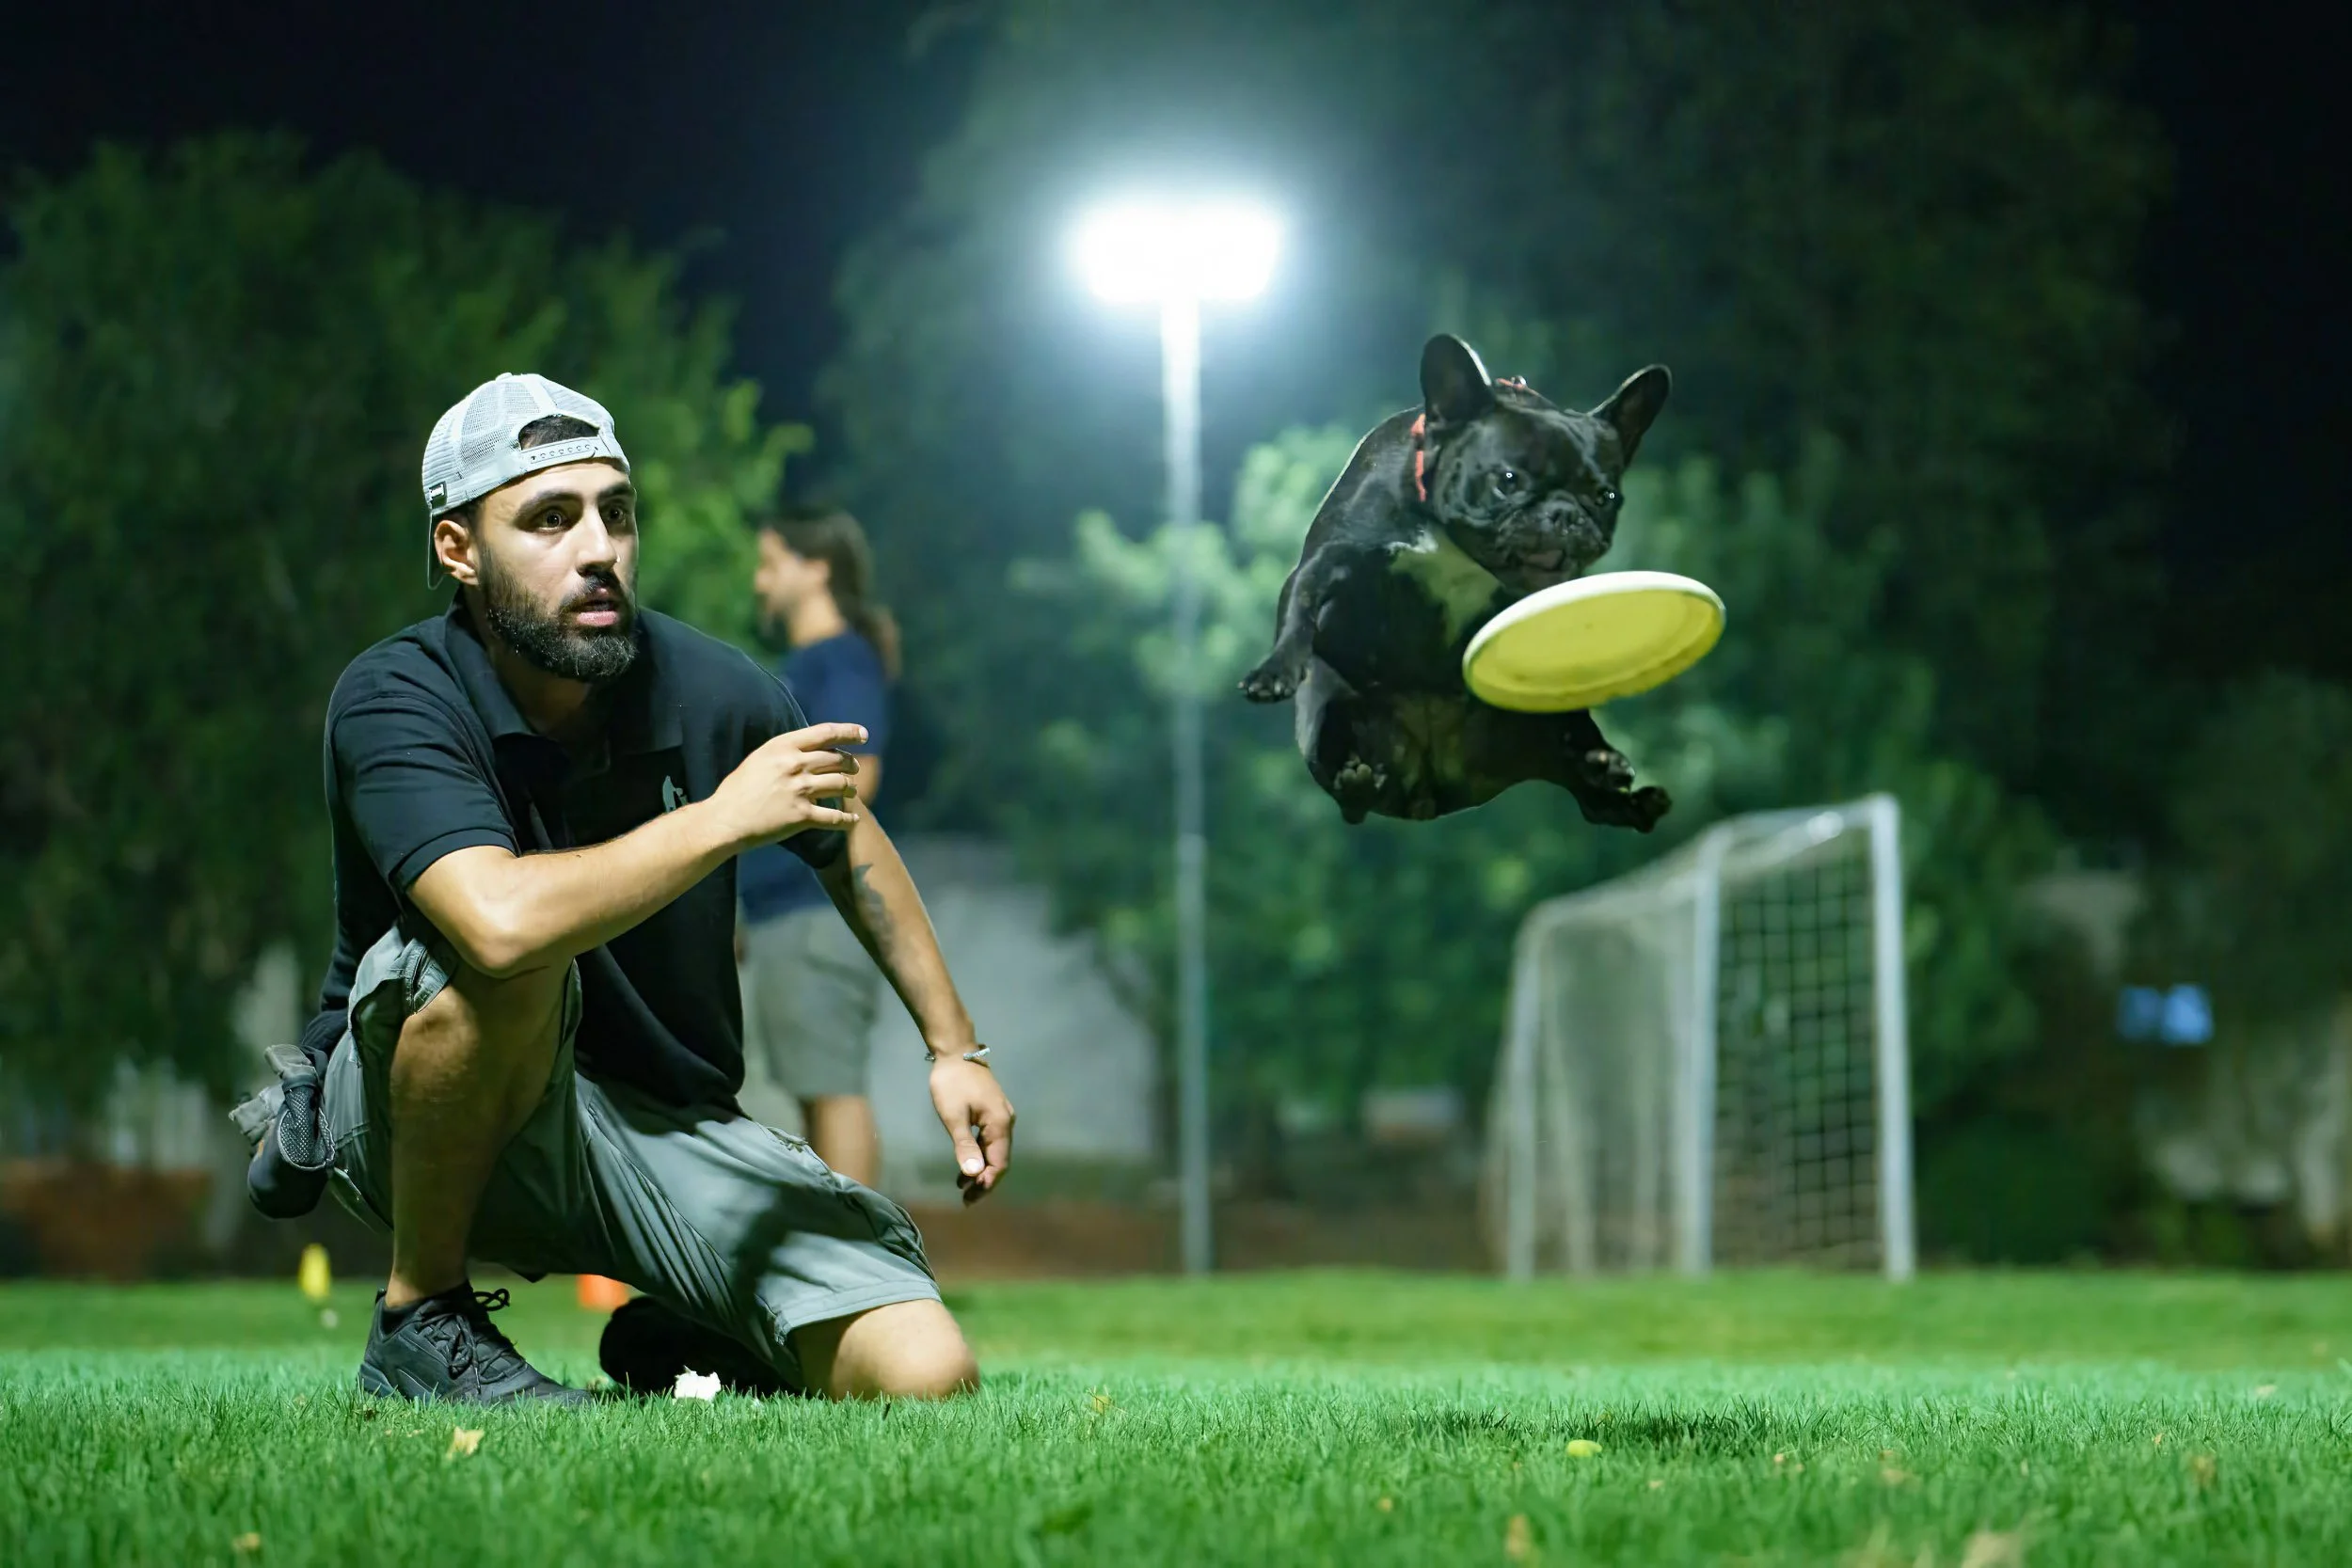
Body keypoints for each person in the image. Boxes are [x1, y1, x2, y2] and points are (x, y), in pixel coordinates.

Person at [232, 372, 1013, 1405]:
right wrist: (722, 817)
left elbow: (847, 830)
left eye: (616, 511)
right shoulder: (398, 693)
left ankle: (687, 1329)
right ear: (458, 551)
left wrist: (952, 1045)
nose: (597, 546)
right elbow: (498, 925)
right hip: (420, 1108)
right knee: (498, 957)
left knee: (924, 1373)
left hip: (659, 1124)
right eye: (550, 518)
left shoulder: (717, 685)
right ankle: (418, 1317)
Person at [738, 505, 898, 1186]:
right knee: (813, 1093)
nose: (758, 580)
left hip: (815, 914)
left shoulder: (840, 659)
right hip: (782, 919)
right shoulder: (802, 665)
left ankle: (866, 1272)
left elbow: (862, 772)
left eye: (771, 562)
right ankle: (842, 1268)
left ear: (817, 568)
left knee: (832, 1090)